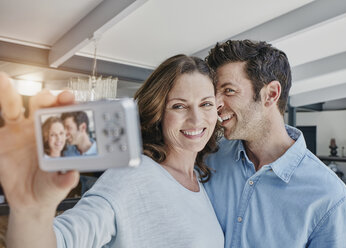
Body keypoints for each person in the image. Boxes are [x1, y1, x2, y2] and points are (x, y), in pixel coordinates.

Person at [0, 55, 224, 248]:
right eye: (179, 106)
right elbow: (65, 239)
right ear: (158, 113)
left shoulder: (200, 179)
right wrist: (31, 212)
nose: (196, 119)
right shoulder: (135, 175)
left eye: (206, 104)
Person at [203, 40, 346, 248]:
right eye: (214, 93)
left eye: (228, 90)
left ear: (271, 94)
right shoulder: (208, 158)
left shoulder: (329, 196)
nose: (216, 104)